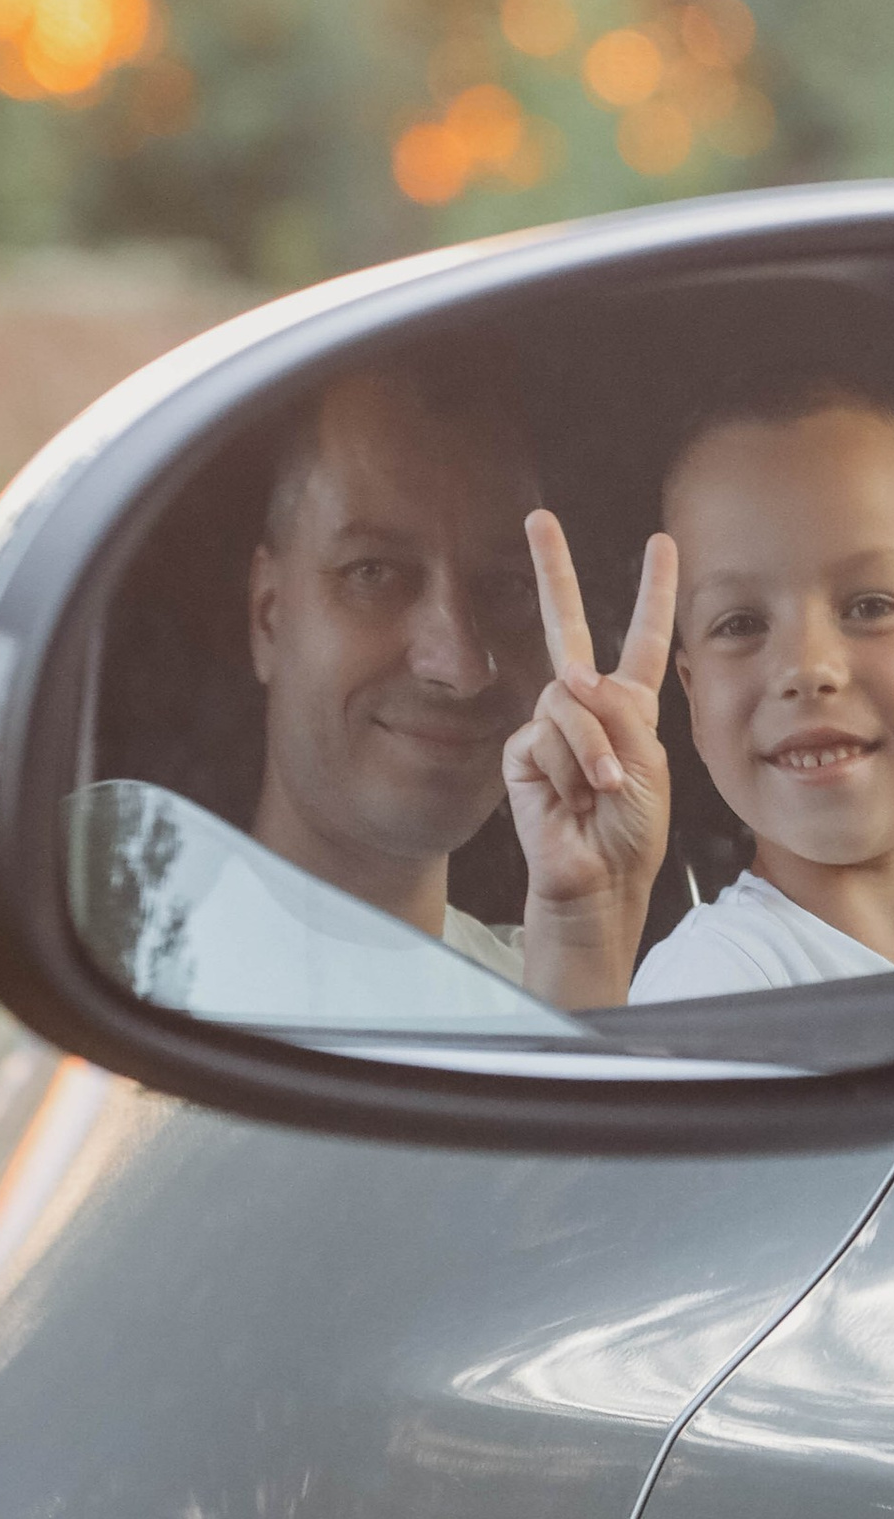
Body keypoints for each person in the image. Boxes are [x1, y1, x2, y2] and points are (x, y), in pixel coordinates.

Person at [72, 357, 673, 1027]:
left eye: (504, 588)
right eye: (373, 572)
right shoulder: (110, 914)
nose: (461, 664)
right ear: (269, 616)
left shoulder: (563, 980)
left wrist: (587, 939)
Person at [629, 374, 894, 1001]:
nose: (807, 667)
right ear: (695, 705)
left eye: (869, 606)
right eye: (740, 624)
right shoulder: (716, 985)